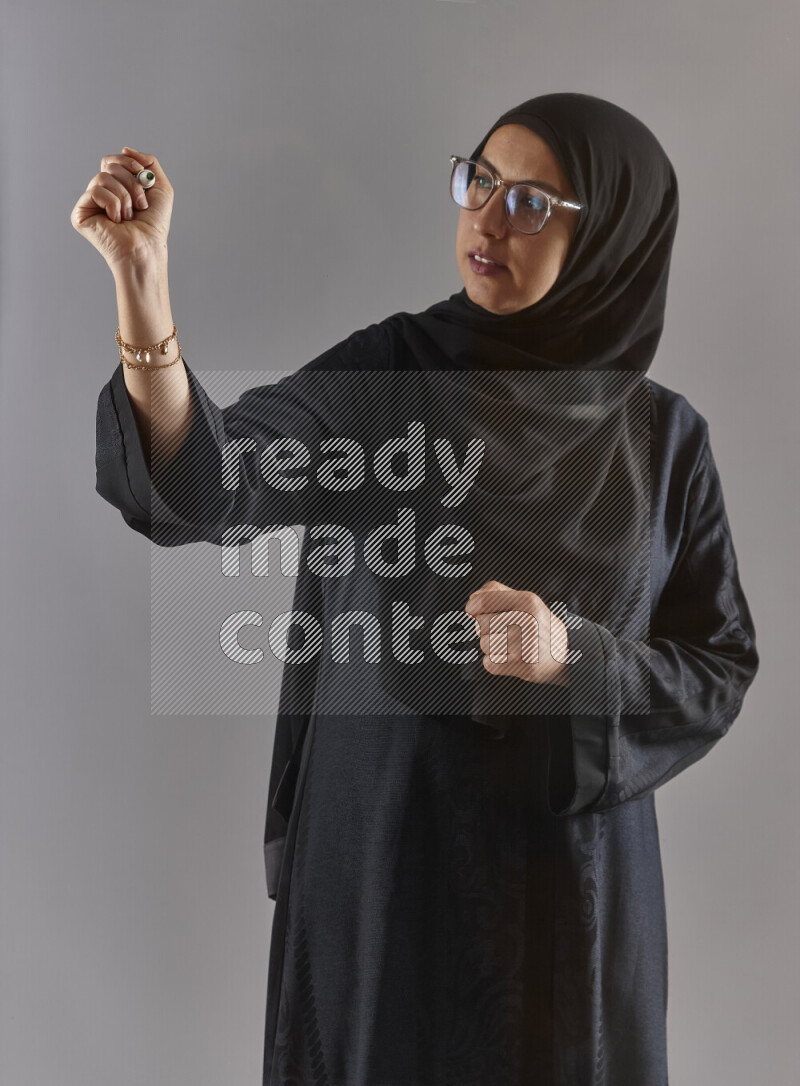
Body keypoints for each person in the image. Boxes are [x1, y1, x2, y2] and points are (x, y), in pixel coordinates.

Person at [73, 93, 760, 1085]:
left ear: (611, 238)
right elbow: (211, 485)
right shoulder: (393, 377)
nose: (486, 219)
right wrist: (143, 290)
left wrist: (573, 655)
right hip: (384, 859)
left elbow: (716, 667)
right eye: (478, 181)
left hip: (566, 900)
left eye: (530, 202)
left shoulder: (664, 442)